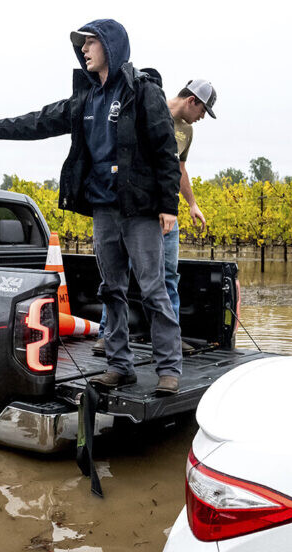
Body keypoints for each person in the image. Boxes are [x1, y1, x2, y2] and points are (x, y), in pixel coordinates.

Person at [0, 19, 183, 394]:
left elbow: (165, 150)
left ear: (111, 46)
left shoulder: (142, 91)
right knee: (111, 289)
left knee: (152, 288)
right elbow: (41, 120)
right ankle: (119, 364)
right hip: (103, 208)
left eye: (90, 42)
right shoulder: (86, 98)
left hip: (139, 210)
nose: (84, 49)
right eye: (81, 44)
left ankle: (168, 369)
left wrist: (168, 205)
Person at [93, 79, 217, 355]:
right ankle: (107, 334)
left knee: (168, 276)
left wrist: (191, 204)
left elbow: (179, 168)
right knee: (117, 277)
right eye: (203, 112)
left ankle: (170, 340)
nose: (201, 119)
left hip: (167, 212)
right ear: (192, 100)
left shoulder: (187, 131)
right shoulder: (147, 110)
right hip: (137, 211)